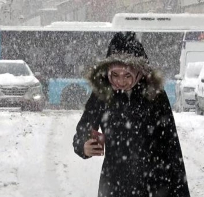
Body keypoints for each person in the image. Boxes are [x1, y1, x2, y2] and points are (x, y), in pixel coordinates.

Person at [73, 32, 190, 197]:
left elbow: (171, 146)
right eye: (115, 75)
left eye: (127, 75)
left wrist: (180, 192)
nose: (121, 81)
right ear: (108, 72)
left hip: (155, 184)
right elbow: (84, 128)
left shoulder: (155, 95)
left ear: (139, 72)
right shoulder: (102, 93)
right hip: (114, 184)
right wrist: (83, 145)